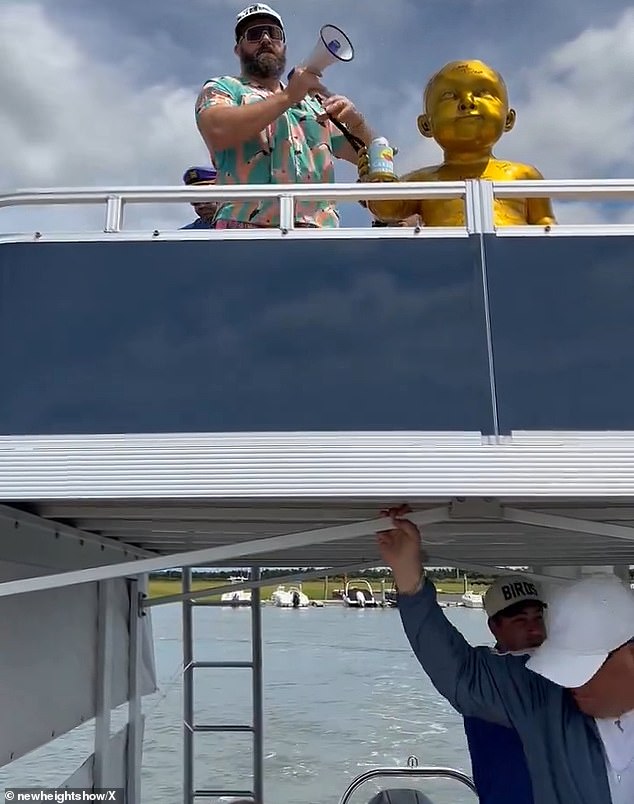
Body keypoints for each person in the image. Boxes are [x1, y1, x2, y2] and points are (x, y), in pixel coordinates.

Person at [377, 505, 634, 804]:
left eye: (583, 670)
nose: (572, 685)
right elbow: (461, 675)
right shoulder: (544, 694)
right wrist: (409, 577)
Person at [194, 3, 374, 229]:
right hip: (243, 231)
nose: (266, 40)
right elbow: (217, 130)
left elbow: (374, 161)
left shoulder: (313, 105)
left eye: (274, 33)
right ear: (238, 49)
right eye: (254, 34)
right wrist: (288, 97)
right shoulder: (224, 88)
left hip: (318, 235)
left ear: (284, 46)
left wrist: (358, 123)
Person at [358, 60, 556, 227]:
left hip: (515, 264)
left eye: (483, 92)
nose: (467, 102)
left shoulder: (524, 176)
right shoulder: (422, 180)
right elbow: (388, 209)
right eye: (449, 96)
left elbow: (546, 226)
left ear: (509, 119)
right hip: (446, 266)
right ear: (426, 125)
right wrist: (377, 182)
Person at [462, 575, 546, 804]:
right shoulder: (481, 681)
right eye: (520, 621)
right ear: (493, 626)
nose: (535, 630)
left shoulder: (565, 675)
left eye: (538, 618)